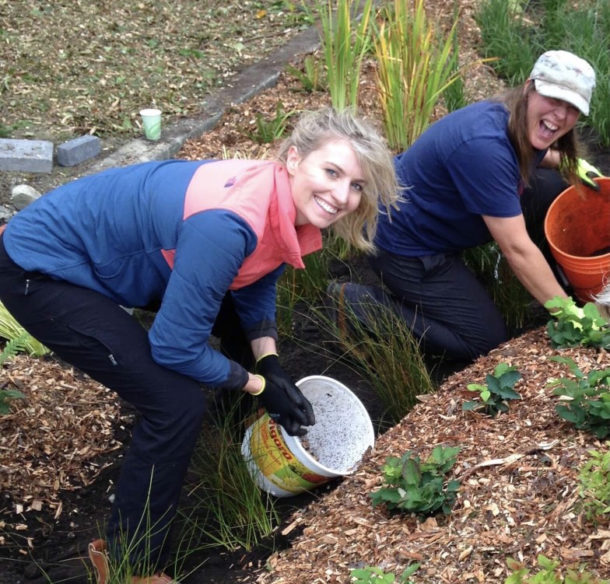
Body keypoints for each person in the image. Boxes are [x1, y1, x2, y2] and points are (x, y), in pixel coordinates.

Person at [0, 107, 398, 583]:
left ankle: (237, 440)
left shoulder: (278, 198)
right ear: (293, 159)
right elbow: (174, 348)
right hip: (40, 270)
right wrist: (256, 385)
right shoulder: (228, 224)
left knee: (235, 335)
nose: (341, 195)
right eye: (332, 172)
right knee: (173, 402)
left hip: (118, 256)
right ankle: (129, 566)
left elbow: (253, 277)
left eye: (356, 185)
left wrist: (269, 362)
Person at [329, 50, 604, 363]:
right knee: (483, 341)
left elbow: (534, 154)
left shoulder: (516, 118)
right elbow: (517, 249)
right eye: (554, 99)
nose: (560, 115)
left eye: (572, 108)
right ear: (529, 87)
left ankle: (554, 284)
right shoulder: (485, 148)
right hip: (406, 245)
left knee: (556, 188)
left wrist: (572, 165)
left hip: (436, 213)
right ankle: (356, 303)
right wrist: (570, 315)